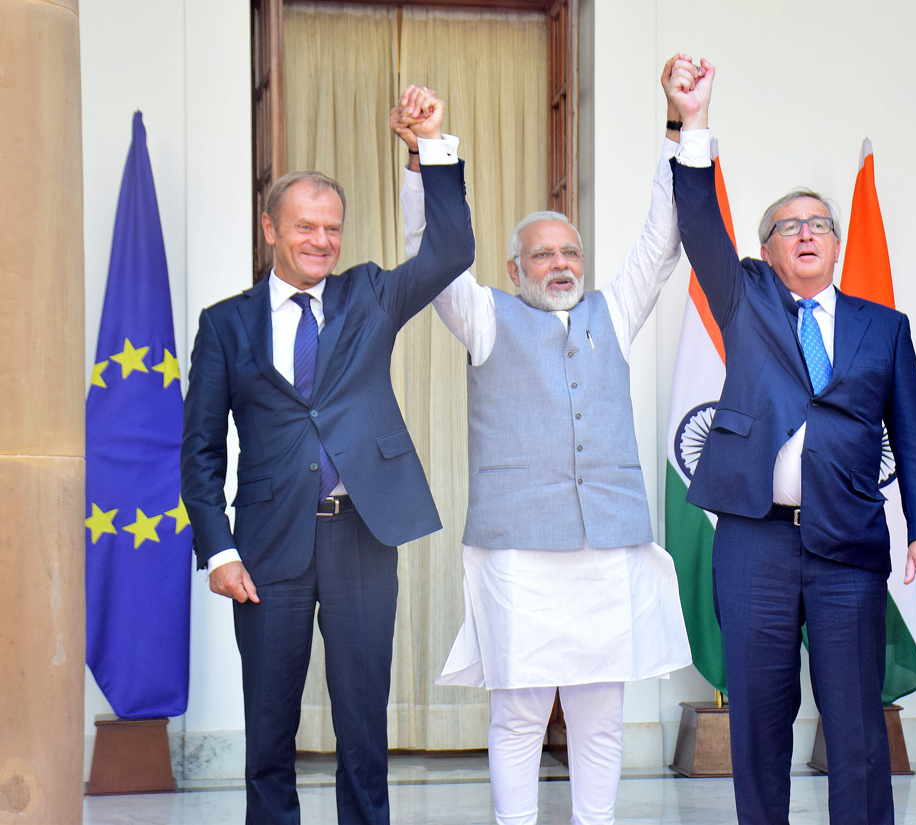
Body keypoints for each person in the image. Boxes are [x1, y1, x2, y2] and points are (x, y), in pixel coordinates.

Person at [389, 64, 693, 825]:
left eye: (571, 253)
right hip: (519, 555)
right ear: (513, 267)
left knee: (600, 717)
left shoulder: (612, 314)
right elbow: (430, 249)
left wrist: (681, 126)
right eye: (545, 255)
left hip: (608, 550)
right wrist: (426, 152)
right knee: (520, 716)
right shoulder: (484, 315)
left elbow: (662, 239)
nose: (562, 265)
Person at [665, 59, 916, 825]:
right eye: (789, 225)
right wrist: (692, 122)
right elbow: (698, 223)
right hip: (755, 541)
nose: (806, 232)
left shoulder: (881, 328)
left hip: (847, 546)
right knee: (758, 722)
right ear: (766, 249)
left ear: (837, 243)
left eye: (819, 223)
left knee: (857, 724)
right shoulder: (746, 299)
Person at [181, 87, 474, 825]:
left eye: (331, 229)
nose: (320, 241)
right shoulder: (224, 326)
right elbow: (201, 447)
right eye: (305, 227)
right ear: (270, 228)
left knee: (363, 731)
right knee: (270, 735)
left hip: (362, 536)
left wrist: (427, 148)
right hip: (267, 547)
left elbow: (450, 250)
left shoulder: (370, 295)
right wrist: (218, 552)